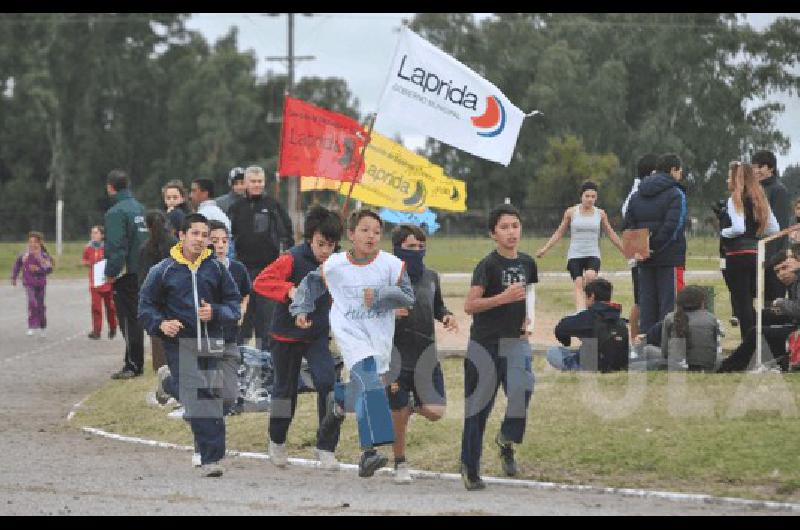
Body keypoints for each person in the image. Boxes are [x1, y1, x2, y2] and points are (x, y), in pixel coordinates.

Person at [289, 209, 415, 478]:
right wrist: (301, 309)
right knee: (370, 381)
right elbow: (310, 284)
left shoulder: (391, 264)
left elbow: (408, 297)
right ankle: (370, 452)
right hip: (350, 333)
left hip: (379, 337)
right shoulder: (335, 264)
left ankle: (339, 401)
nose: (371, 236)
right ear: (351, 234)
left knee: (366, 387)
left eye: (377, 232)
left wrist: (381, 295)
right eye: (365, 230)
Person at [138, 213, 242, 477]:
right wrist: (161, 324)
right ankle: (211, 459)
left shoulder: (217, 269)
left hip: (212, 341)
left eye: (204, 235)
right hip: (180, 344)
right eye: (194, 233)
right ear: (181, 236)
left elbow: (234, 306)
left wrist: (215, 312)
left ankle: (169, 384)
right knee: (198, 397)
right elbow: (145, 308)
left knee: (215, 396)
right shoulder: (163, 271)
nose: (200, 239)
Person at [251, 206, 343, 470]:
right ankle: (277, 441)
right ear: (310, 237)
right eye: (321, 244)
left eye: (331, 245)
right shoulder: (291, 258)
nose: (326, 251)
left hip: (316, 336)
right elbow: (261, 282)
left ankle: (325, 448)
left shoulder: (336, 262)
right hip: (285, 335)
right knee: (285, 391)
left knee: (328, 383)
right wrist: (289, 291)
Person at [461, 204, 536, 490]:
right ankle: (470, 466)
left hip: (515, 342)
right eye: (504, 227)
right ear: (493, 233)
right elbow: (470, 305)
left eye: (515, 225)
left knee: (522, 391)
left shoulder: (528, 263)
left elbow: (529, 295)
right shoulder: (488, 265)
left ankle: (506, 440)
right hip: (484, 344)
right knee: (478, 409)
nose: (511, 232)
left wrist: (529, 319)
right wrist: (501, 298)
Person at [387, 224, 458, 484]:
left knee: (436, 411)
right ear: (396, 249)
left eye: (420, 246)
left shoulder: (431, 277)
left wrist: (447, 316)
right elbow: (369, 311)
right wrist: (388, 312)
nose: (417, 251)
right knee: (399, 415)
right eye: (410, 247)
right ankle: (400, 462)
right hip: (396, 356)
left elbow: (437, 305)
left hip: (426, 355)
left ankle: (410, 406)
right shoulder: (387, 278)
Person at [229, 165, 293, 349]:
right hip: (243, 270)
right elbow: (229, 237)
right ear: (245, 183)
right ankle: (235, 357)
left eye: (260, 181)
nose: (257, 185)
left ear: (264, 182)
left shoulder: (273, 206)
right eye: (253, 181)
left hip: (268, 270)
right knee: (242, 319)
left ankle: (266, 359)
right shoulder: (236, 208)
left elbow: (286, 235)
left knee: (267, 319)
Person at [623, 153, 688, 335]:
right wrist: (655, 247)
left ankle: (647, 351)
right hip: (669, 258)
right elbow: (673, 227)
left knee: (647, 306)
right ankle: (667, 350)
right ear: (673, 170)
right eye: (680, 171)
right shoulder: (676, 193)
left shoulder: (636, 195)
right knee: (671, 307)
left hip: (643, 259)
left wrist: (642, 249)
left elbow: (628, 225)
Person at [537, 181, 625, 310]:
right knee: (578, 283)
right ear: (581, 196)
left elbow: (611, 234)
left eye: (593, 197)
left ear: (596, 198)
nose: (590, 199)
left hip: (593, 253)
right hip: (575, 254)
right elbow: (559, 232)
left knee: (590, 276)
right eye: (587, 196)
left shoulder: (600, 214)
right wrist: (545, 249)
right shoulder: (571, 212)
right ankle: (580, 312)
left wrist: (624, 250)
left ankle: (590, 309)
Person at [719, 161, 779, 341]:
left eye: (729, 176)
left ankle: (749, 341)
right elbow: (774, 228)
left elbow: (737, 228)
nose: (727, 179)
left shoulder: (734, 199)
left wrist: (723, 232)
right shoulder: (760, 199)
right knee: (753, 300)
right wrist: (756, 232)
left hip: (736, 255)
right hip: (755, 254)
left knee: (741, 301)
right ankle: (757, 339)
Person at [717, 246, 800, 372]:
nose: (781, 274)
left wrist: (782, 303)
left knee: (757, 333)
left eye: (785, 268)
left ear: (796, 261)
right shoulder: (794, 282)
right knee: (762, 316)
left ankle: (726, 367)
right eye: (777, 272)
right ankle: (756, 359)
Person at [104, 169, 149, 379]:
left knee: (128, 319)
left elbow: (117, 246)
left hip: (127, 273)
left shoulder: (115, 213)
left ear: (110, 187)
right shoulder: (140, 208)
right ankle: (133, 360)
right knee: (135, 317)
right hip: (142, 270)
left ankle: (133, 364)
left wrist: (111, 272)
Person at [207, 220, 251, 416]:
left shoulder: (238, 269)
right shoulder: (201, 270)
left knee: (228, 397)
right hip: (206, 335)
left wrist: (242, 309)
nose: (221, 245)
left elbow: (246, 292)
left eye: (225, 241)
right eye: (215, 240)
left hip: (230, 334)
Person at [546, 278, 628, 372]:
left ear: (592, 296)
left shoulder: (589, 316)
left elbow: (560, 329)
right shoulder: (619, 318)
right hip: (617, 365)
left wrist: (566, 342)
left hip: (590, 365)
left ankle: (575, 369)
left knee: (553, 352)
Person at [640, 285, 721, 372]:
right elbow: (716, 349)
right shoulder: (712, 319)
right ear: (702, 303)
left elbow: (665, 352)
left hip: (676, 365)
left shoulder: (670, 318)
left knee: (647, 350)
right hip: (707, 366)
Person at [621, 153, 658, 340]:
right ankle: (635, 339)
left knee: (641, 299)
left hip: (637, 252)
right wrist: (637, 254)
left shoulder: (636, 191)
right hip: (639, 252)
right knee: (640, 300)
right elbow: (629, 224)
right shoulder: (637, 194)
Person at [138, 210, 177, 372]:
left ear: (147, 227)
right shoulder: (175, 244)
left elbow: (142, 277)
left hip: (155, 297)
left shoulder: (145, 248)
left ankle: (160, 366)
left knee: (158, 332)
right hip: (174, 294)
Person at [753, 150, 792, 304]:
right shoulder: (755, 189)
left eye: (760, 167)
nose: (756, 171)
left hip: (774, 256)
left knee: (774, 302)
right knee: (762, 303)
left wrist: (771, 259)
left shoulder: (779, 190)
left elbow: (780, 228)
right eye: (754, 167)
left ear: (770, 168)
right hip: (758, 252)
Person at [11, 231, 54, 337]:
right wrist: (14, 277)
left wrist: (38, 269)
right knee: (32, 302)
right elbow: (17, 265)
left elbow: (49, 269)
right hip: (28, 283)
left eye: (35, 242)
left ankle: (43, 327)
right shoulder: (24, 255)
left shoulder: (43, 255)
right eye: (30, 242)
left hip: (40, 284)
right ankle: (31, 326)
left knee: (40, 306)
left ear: (40, 243)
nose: (32, 244)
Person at [82, 225, 117, 340]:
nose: (94, 235)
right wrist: (88, 263)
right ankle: (96, 331)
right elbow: (84, 260)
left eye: (96, 233)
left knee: (110, 307)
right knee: (96, 307)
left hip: (106, 281)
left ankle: (113, 326)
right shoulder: (88, 248)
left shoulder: (108, 247)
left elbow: (114, 261)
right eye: (92, 233)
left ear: (102, 235)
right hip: (94, 282)